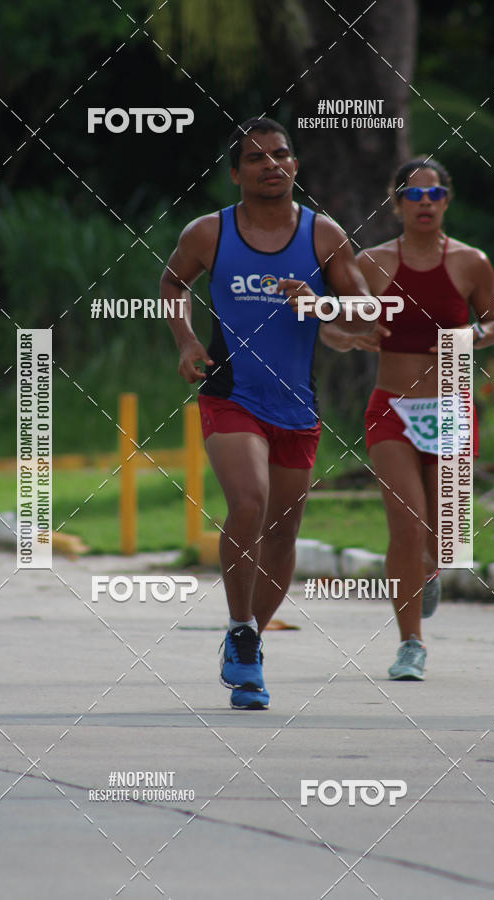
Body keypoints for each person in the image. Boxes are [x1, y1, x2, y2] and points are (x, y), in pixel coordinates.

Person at [160, 117, 381, 709]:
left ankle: (250, 646)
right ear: (236, 173)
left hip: (296, 405)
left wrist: (320, 303)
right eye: (255, 158)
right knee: (250, 502)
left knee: (284, 530)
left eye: (280, 154)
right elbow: (172, 283)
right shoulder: (209, 233)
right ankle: (238, 628)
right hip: (231, 394)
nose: (270, 165)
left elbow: (365, 314)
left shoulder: (324, 235)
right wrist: (185, 342)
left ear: (295, 165)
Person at [322, 158, 494, 680]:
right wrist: (355, 337)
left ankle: (429, 571)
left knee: (446, 537)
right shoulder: (372, 264)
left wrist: (473, 336)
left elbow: (492, 320)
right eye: (413, 194)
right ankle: (410, 645)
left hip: (450, 405)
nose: (424, 203)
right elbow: (332, 325)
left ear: (447, 200)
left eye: (434, 194)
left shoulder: (473, 263)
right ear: (396, 202)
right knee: (406, 527)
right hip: (392, 408)